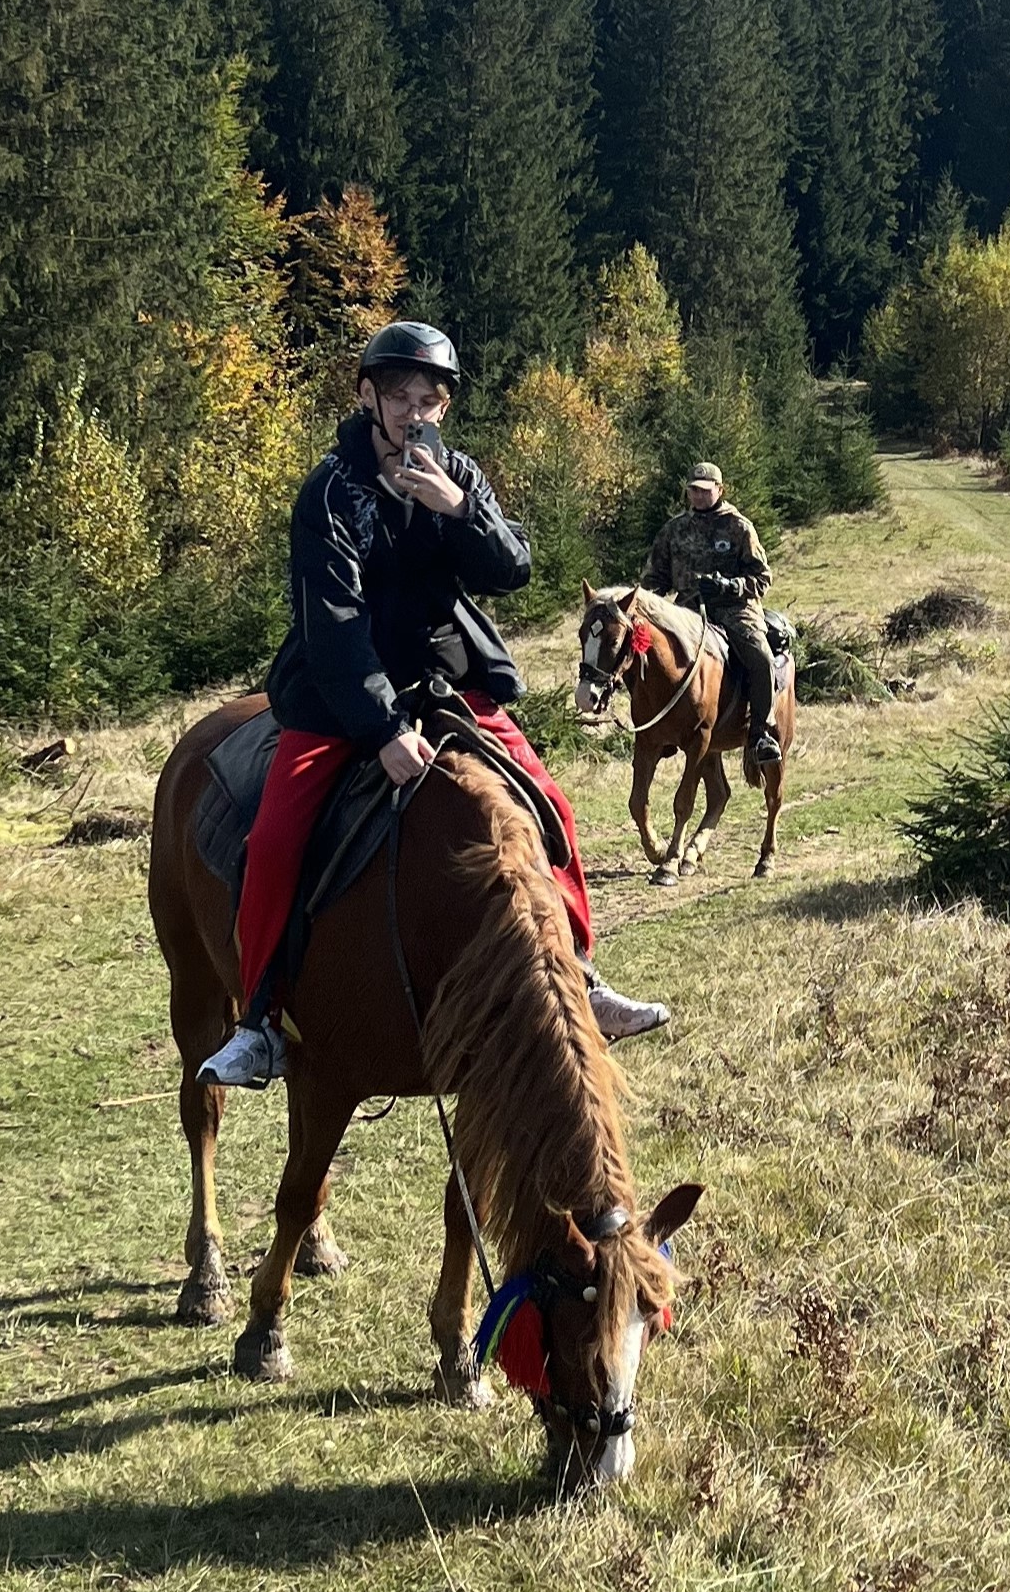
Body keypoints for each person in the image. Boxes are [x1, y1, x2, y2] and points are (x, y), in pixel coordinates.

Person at [200, 321, 668, 1090]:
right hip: (339, 694)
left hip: (445, 682)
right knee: (278, 835)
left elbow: (513, 567)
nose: (416, 412)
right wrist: (381, 728)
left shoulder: (459, 476)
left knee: (549, 804)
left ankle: (579, 972)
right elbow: (336, 624)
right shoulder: (329, 491)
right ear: (367, 397)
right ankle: (260, 1020)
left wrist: (462, 510)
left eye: (430, 399)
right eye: (400, 396)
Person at [642, 461, 782, 772]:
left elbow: (762, 577)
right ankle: (661, 728)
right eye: (694, 490)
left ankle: (761, 734)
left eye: (705, 491)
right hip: (688, 610)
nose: (699, 496)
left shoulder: (739, 526)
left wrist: (730, 586)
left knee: (760, 657)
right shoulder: (673, 530)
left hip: (736, 609)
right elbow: (655, 578)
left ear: (719, 490)